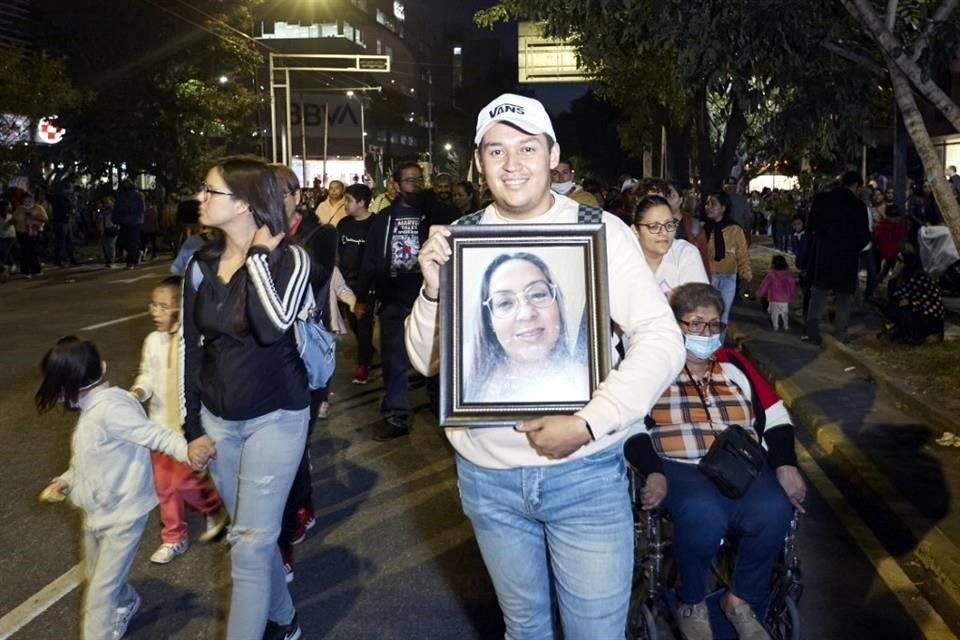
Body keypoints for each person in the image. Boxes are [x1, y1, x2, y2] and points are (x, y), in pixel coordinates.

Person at [407, 93, 686, 639]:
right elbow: (425, 362)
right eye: (496, 151)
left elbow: (662, 339)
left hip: (584, 475)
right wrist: (434, 291)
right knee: (524, 630)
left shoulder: (599, 231)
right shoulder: (461, 239)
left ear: (552, 154)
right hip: (488, 479)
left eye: (526, 148)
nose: (511, 164)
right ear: (479, 161)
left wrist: (588, 421)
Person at [625, 283, 805, 640]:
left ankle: (739, 601)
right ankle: (692, 600)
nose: (705, 333)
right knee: (703, 512)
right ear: (674, 324)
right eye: (694, 324)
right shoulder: (649, 364)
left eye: (712, 325)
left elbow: (776, 415)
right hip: (678, 464)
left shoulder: (734, 364)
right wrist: (653, 472)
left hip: (740, 463)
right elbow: (629, 422)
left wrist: (785, 464)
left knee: (774, 507)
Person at [180, 155, 311, 640]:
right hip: (218, 420)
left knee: (251, 547)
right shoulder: (199, 264)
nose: (199, 198)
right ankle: (285, 620)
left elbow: (274, 326)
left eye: (209, 191)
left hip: (277, 417)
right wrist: (191, 427)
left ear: (242, 203)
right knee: (248, 540)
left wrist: (257, 257)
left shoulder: (289, 259)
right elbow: (188, 350)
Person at [36, 336, 207, 640]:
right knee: (96, 576)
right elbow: (88, 460)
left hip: (122, 517)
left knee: (99, 597)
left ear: (71, 384)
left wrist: (188, 451)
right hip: (97, 511)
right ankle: (127, 602)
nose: (58, 396)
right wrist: (67, 479)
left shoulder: (110, 409)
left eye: (58, 387)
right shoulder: (93, 409)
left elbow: (156, 436)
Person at [130, 276, 226, 564]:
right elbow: (146, 373)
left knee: (186, 482)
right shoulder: (152, 341)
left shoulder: (193, 341)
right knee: (164, 487)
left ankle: (215, 508)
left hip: (188, 429)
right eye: (153, 305)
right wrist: (138, 391)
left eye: (163, 306)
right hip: (158, 428)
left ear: (181, 307)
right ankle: (174, 537)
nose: (155, 312)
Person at [271, 162, 335, 581]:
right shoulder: (245, 240)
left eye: (280, 193)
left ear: (298, 196)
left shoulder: (319, 236)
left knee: (289, 448)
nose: (272, 202)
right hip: (262, 361)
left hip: (302, 357)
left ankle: (288, 529)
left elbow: (310, 281)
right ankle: (301, 504)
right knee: (284, 450)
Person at [355, 161, 431, 441]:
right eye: (409, 180)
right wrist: (362, 297)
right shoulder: (383, 219)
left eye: (419, 179)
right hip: (394, 301)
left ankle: (440, 409)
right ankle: (397, 414)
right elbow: (371, 261)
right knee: (395, 359)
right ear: (396, 186)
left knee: (435, 359)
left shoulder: (433, 214)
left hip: (430, 300)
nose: (416, 185)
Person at [466, 252, 586, 402]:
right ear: (489, 321)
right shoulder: (465, 383)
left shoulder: (589, 386)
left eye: (538, 295)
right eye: (505, 303)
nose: (526, 313)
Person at [805, 172, 871, 344]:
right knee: (844, 297)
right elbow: (864, 236)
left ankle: (812, 331)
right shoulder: (858, 206)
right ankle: (841, 332)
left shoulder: (822, 200)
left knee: (819, 293)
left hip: (824, 253)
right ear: (856, 185)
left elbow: (811, 225)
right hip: (847, 256)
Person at [338, 183, 377, 385]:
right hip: (346, 283)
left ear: (361, 203)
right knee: (352, 320)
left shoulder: (375, 225)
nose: (344, 204)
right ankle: (367, 349)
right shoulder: (343, 224)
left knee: (363, 322)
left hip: (367, 283)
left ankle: (363, 364)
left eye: (348, 200)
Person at [632, 194, 708, 296]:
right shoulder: (624, 259)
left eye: (669, 225)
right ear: (635, 231)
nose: (664, 232)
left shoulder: (685, 253)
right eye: (654, 227)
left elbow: (699, 303)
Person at [701, 190, 752, 332]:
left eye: (713, 204)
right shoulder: (702, 229)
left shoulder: (735, 230)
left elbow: (742, 254)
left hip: (728, 277)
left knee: (722, 317)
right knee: (707, 315)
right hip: (708, 277)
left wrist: (745, 275)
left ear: (723, 208)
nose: (708, 207)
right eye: (707, 204)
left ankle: (719, 350)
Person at [880, 247, 946, 344]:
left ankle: (915, 336)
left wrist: (893, 278)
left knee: (900, 309)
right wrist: (894, 277)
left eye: (900, 261)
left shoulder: (919, 277)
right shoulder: (910, 276)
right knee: (894, 306)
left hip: (931, 320)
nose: (897, 264)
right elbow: (896, 295)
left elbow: (907, 297)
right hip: (923, 312)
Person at [756, 254, 797, 331]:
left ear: (773, 265)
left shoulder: (771, 275)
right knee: (784, 313)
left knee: (773, 313)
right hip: (785, 300)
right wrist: (791, 296)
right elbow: (792, 287)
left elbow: (764, 286)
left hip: (774, 299)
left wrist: (759, 294)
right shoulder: (788, 276)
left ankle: (775, 325)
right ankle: (786, 325)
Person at [12, 193, 47, 278]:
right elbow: (14, 219)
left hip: (35, 232)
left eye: (30, 199)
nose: (28, 201)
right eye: (26, 199)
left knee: (33, 251)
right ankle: (26, 270)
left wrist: (34, 218)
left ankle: (35, 269)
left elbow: (45, 219)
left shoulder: (38, 208)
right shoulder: (19, 209)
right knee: (25, 251)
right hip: (22, 232)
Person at [113, 180, 145, 270]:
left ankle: (131, 261)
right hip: (125, 221)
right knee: (124, 241)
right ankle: (136, 254)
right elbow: (117, 208)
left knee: (132, 242)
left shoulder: (138, 195)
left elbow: (141, 209)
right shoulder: (121, 196)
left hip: (135, 221)